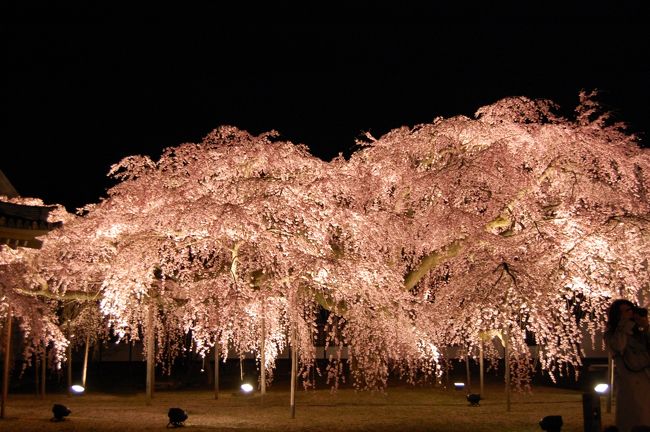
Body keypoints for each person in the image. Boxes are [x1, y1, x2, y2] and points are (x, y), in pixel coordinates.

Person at [605, 299, 650, 432]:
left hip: (646, 378)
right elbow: (618, 345)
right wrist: (624, 324)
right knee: (635, 419)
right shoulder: (612, 334)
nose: (629, 313)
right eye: (624, 311)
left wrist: (646, 327)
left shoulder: (639, 332)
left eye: (630, 310)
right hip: (631, 382)